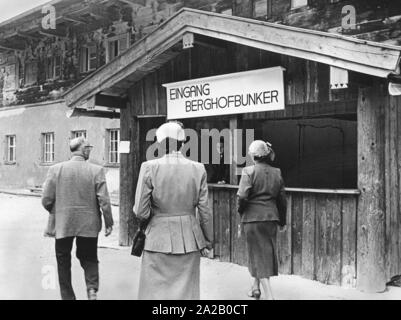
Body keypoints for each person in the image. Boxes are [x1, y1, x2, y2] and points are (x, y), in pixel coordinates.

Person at [133, 121, 213, 300]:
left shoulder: (149, 167)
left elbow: (140, 211)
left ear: (159, 144)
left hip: (157, 238)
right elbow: (205, 211)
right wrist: (208, 240)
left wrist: (150, 217)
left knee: (153, 293)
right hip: (189, 238)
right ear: (183, 143)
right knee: (186, 293)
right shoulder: (198, 169)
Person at [41, 137, 114, 300]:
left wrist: (57, 212)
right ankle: (92, 289)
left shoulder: (55, 169)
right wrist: (109, 223)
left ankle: (68, 297)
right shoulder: (96, 170)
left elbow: (46, 199)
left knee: (63, 260)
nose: (90, 150)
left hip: (63, 224)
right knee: (89, 257)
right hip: (88, 224)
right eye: (89, 147)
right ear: (83, 149)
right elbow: (104, 201)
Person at [237, 140, 287, 300]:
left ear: (253, 156)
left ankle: (270, 297)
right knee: (262, 253)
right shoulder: (277, 172)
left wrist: (241, 211)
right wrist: (282, 221)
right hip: (271, 218)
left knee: (258, 254)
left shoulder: (248, 171)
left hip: (252, 219)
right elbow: (282, 200)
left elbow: (242, 196)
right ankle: (255, 288)